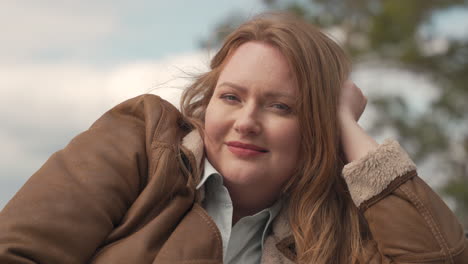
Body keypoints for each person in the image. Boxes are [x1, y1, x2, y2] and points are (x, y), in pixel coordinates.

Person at [0, 12, 466, 264]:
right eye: (231, 97)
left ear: (318, 128)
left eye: (281, 106)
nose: (246, 121)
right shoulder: (144, 142)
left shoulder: (341, 231)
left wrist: (347, 125)